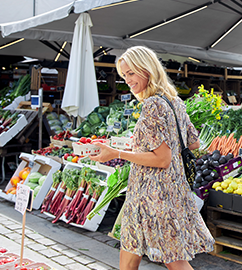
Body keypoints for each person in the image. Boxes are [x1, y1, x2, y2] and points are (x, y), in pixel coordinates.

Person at [90, 46, 214, 270]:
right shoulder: (174, 101)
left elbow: (162, 160)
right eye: (124, 75)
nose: (127, 80)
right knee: (133, 248)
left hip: (152, 195)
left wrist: (116, 153)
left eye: (131, 73)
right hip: (170, 192)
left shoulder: (152, 105)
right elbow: (194, 143)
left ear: (146, 69)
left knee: (173, 260)